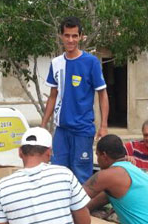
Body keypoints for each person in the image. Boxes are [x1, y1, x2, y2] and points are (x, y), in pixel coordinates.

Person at [41, 16, 109, 184]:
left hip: (83, 130)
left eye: (74, 36)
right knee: (57, 174)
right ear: (61, 36)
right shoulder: (56, 63)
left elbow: (102, 94)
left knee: (81, 175)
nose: (70, 40)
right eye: (67, 35)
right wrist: (43, 125)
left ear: (80, 36)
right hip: (61, 130)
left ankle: (82, 210)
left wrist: (104, 126)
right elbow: (52, 96)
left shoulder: (91, 62)